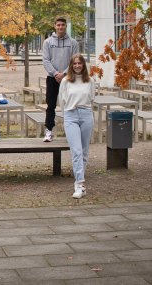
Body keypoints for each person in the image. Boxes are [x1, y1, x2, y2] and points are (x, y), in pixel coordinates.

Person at [58, 54, 95, 199]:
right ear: (71, 66)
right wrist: (66, 116)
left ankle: (79, 181)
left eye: (80, 63)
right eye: (75, 64)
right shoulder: (66, 82)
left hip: (86, 115)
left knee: (84, 152)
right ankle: (80, 183)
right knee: (77, 151)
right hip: (71, 115)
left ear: (83, 65)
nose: (77, 66)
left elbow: (91, 98)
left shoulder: (90, 81)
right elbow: (62, 101)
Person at [42, 16, 79, 142]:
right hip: (52, 78)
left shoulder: (73, 43)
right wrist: (55, 73)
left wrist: (64, 74)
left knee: (69, 105)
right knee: (50, 105)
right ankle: (48, 131)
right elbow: (46, 60)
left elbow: (75, 61)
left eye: (62, 25)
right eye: (58, 25)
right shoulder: (47, 42)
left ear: (66, 26)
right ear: (54, 26)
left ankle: (70, 131)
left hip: (68, 78)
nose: (60, 27)